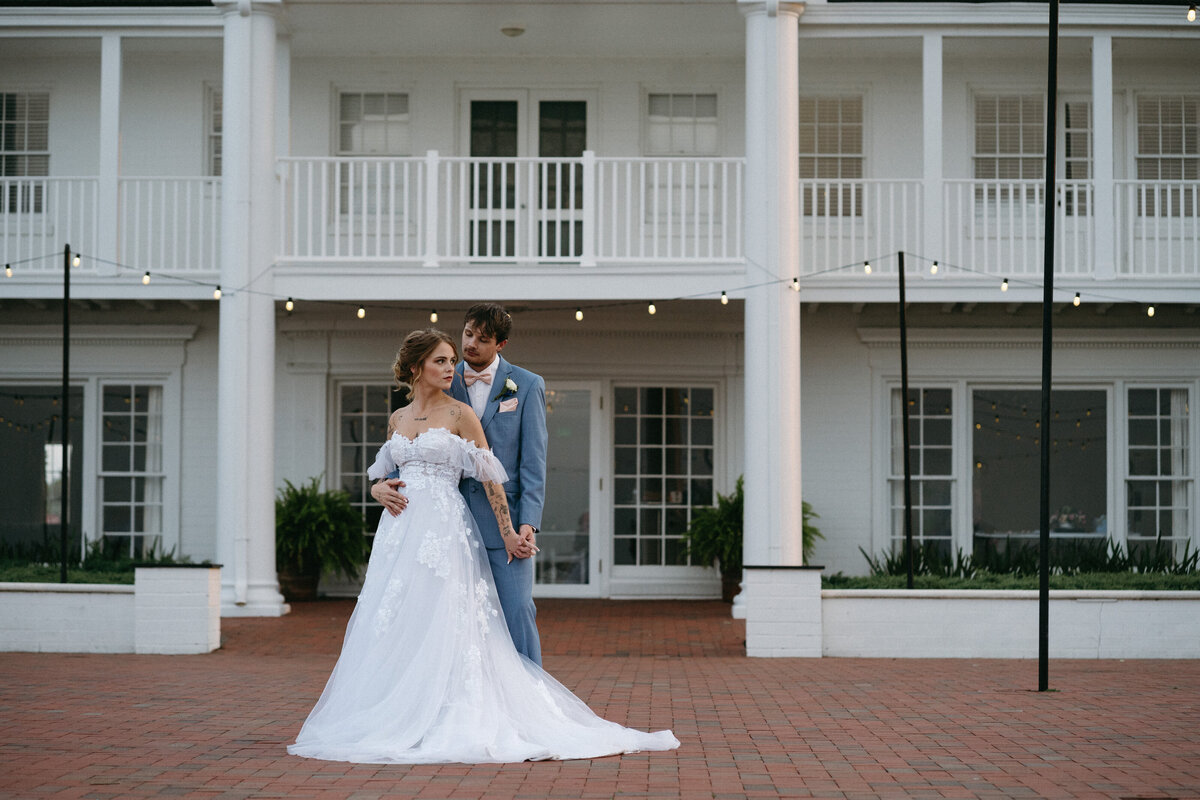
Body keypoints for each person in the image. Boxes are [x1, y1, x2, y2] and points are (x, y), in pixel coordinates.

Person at [288, 329, 679, 763]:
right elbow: (385, 472)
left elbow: (491, 478)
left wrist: (511, 532)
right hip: (399, 533)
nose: (450, 368)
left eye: (452, 360)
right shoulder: (397, 419)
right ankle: (398, 709)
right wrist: (378, 489)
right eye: (441, 361)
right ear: (416, 367)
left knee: (446, 617)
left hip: (444, 527)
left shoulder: (460, 415)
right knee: (399, 616)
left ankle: (447, 710)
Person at [371, 304, 546, 665]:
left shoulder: (526, 386)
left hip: (503, 522)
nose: (470, 346)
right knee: (440, 618)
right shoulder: (442, 381)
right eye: (468, 334)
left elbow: (533, 464)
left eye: (482, 339)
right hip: (437, 528)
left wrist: (525, 523)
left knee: (516, 611)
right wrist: (376, 489)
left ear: (501, 344)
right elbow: (395, 467)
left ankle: (530, 691)